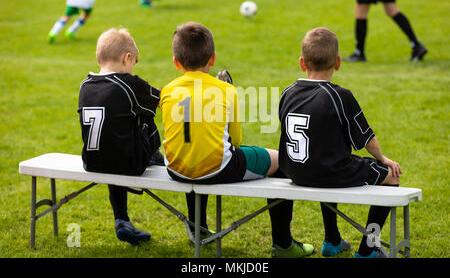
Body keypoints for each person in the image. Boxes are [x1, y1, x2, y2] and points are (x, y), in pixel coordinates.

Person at [159, 22, 313, 257]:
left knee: (194, 151)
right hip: (218, 168)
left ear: (176, 62)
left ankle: (196, 227)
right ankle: (283, 244)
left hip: (175, 168)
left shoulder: (168, 90)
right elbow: (236, 141)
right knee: (281, 161)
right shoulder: (225, 90)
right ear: (213, 58)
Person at [276, 27, 402, 258]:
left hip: (294, 172)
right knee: (391, 176)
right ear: (338, 62)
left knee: (328, 156)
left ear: (302, 63)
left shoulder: (287, 92)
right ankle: (368, 248)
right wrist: (383, 159)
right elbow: (366, 138)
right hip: (328, 173)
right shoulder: (339, 95)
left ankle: (332, 240)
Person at [78, 28, 164, 245]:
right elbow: (165, 98)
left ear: (99, 58)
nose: (134, 67)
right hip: (130, 163)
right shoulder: (130, 84)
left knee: (115, 139)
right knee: (143, 116)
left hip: (92, 161)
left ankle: (121, 219)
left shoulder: (85, 85)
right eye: (135, 61)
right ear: (127, 58)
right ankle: (156, 156)